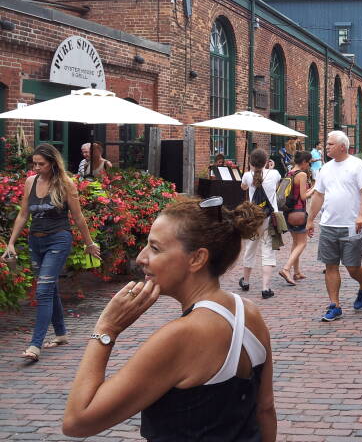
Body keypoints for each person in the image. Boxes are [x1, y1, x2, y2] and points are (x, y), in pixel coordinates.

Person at [60, 196, 277, 440]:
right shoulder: (249, 312)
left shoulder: (181, 336)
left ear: (196, 259)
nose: (142, 258)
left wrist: (106, 328)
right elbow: (265, 408)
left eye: (155, 248)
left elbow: (77, 421)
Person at [2, 143, 100, 362]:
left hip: (58, 240)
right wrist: (11, 243)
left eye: (41, 164)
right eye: (34, 163)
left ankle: (35, 345)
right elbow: (23, 214)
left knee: (43, 291)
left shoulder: (66, 184)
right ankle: (61, 333)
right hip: (35, 242)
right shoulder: (30, 182)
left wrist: (89, 243)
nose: (36, 167)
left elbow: (78, 217)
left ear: (53, 163)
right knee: (49, 288)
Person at [305, 131, 362, 322]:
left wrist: (361, 215)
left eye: (330, 144)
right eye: (327, 144)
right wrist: (311, 220)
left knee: (352, 267)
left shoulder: (357, 165)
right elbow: (318, 195)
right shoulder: (325, 168)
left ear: (342, 146)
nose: (326, 147)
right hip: (328, 225)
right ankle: (335, 305)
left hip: (351, 225)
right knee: (331, 266)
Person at [239, 149, 282, 299]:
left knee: (250, 249)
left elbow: (243, 187)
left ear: (251, 162)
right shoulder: (274, 173)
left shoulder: (247, 176)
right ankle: (265, 288)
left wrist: (251, 172)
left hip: (253, 219)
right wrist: (271, 168)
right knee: (268, 251)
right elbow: (276, 184)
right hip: (270, 218)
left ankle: (245, 281)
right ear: (266, 161)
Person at [278, 150, 315, 286]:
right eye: (309, 163)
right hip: (298, 212)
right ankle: (286, 268)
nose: (309, 166)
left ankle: (297, 271)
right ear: (304, 162)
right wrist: (315, 189)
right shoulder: (302, 174)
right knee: (302, 243)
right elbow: (304, 196)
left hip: (288, 212)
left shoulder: (290, 172)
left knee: (295, 242)